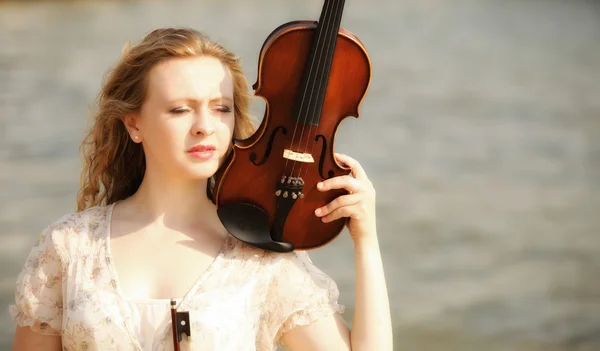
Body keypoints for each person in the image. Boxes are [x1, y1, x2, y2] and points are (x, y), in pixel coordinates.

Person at [9, 27, 393, 351]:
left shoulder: (261, 254)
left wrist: (367, 241)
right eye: (180, 109)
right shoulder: (68, 247)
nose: (205, 126)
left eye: (221, 108)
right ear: (134, 125)